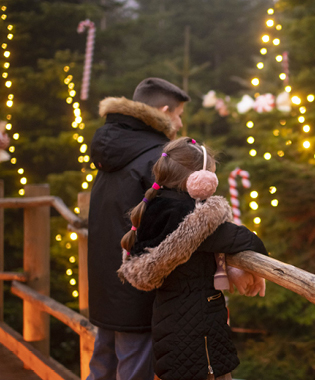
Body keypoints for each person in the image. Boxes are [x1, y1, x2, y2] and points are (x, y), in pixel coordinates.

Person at [118, 137, 267, 380]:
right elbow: (239, 238)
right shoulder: (192, 219)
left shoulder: (156, 207)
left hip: (173, 321)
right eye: (212, 176)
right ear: (198, 180)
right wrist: (260, 264)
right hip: (199, 331)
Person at [87, 78, 189, 380]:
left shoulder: (111, 145)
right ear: (165, 110)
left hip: (105, 282)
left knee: (102, 367)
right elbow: (177, 220)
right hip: (138, 285)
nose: (181, 124)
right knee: (133, 371)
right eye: (179, 114)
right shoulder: (158, 157)